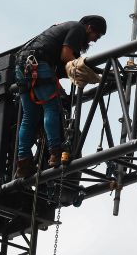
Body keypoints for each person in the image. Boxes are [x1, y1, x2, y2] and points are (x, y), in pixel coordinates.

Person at [14, 15, 107, 178]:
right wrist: (87, 72)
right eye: (96, 36)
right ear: (90, 28)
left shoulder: (63, 28)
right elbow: (66, 56)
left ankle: (24, 163)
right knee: (52, 108)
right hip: (37, 63)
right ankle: (55, 152)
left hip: (22, 66)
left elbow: (63, 66)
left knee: (30, 116)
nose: (94, 41)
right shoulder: (77, 29)